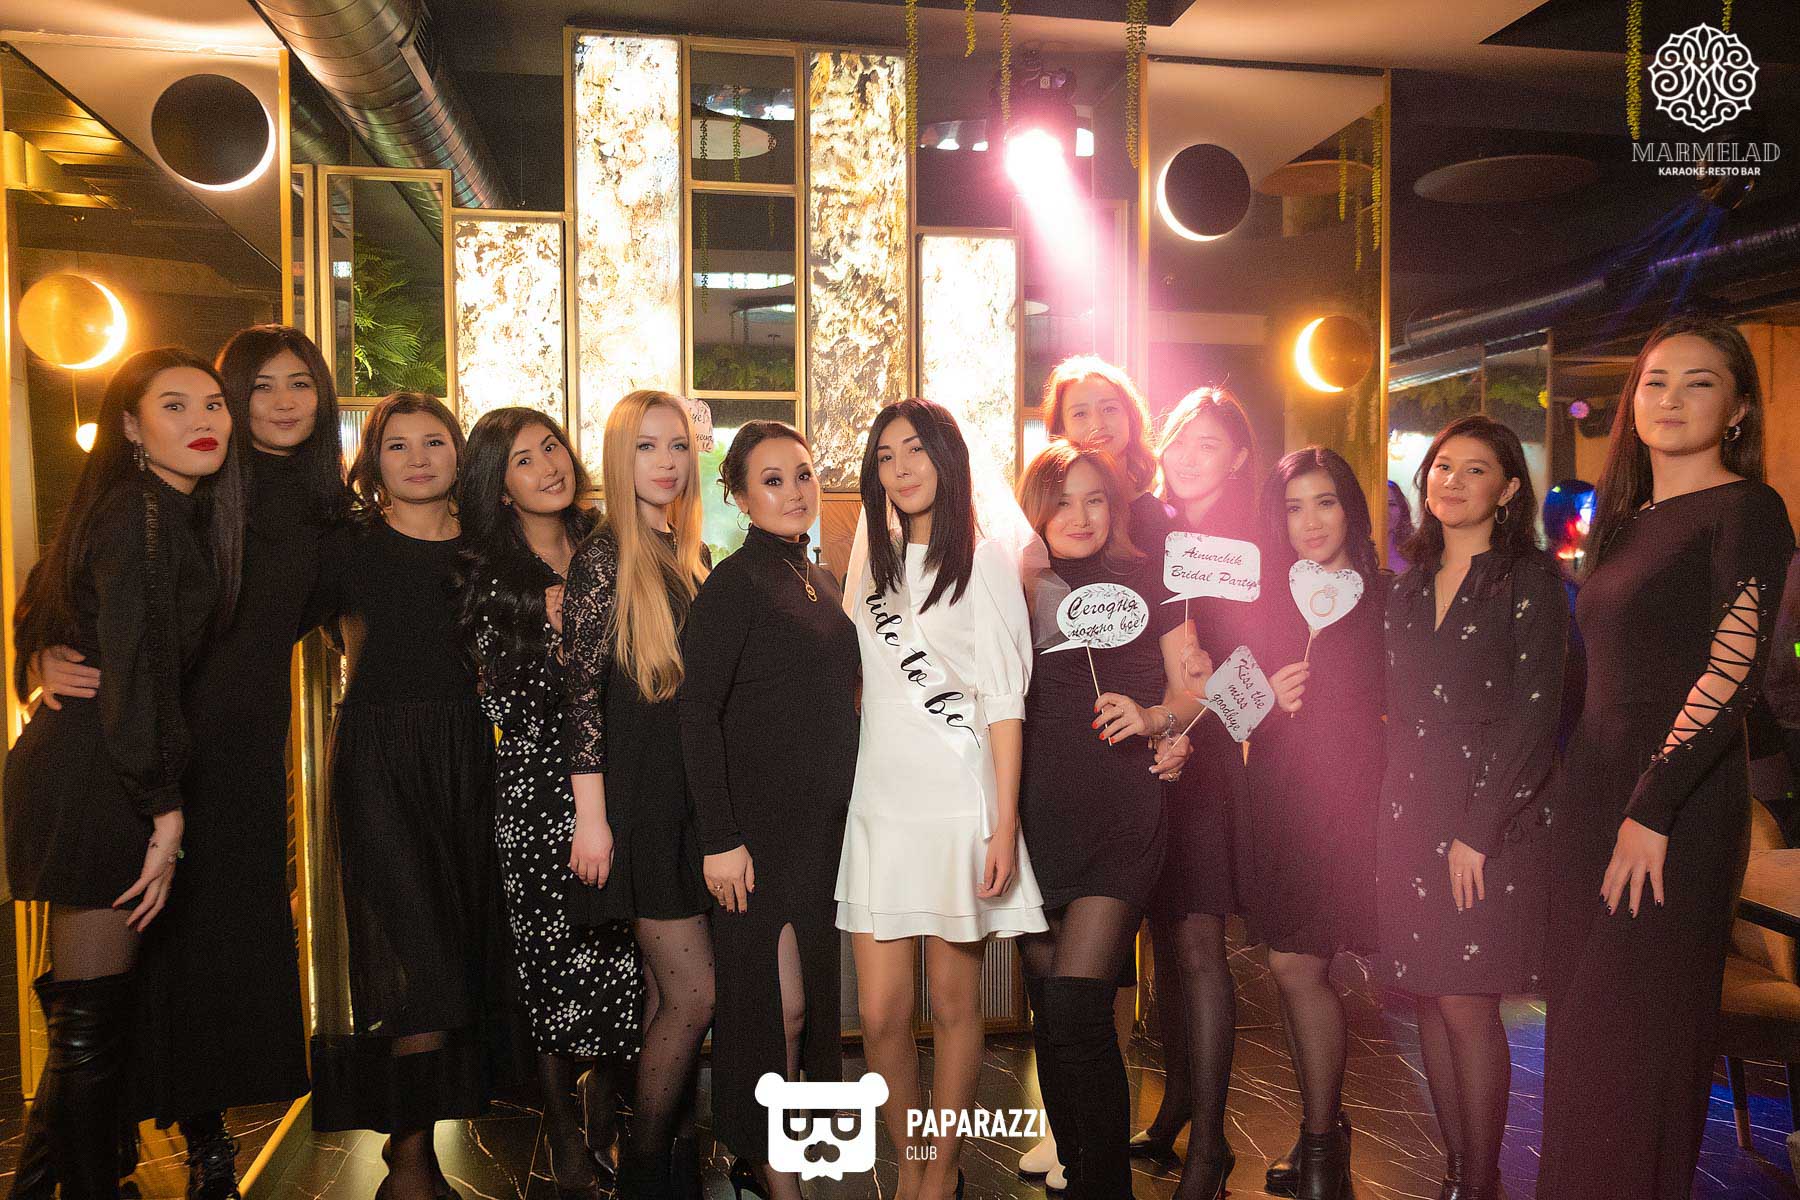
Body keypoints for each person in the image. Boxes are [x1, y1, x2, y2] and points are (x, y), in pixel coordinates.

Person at [34, 327, 340, 1200]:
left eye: (301, 383)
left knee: (215, 956)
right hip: (157, 747)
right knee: (138, 964)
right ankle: (116, 1149)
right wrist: (42, 655)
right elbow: (74, 590)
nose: (283, 402)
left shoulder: (330, 508)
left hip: (244, 757)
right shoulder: (194, 484)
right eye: (260, 386)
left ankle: (195, 1147)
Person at [1538, 315, 1795, 1200]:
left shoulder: (1748, 509)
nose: (1672, 399)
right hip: (1594, 799)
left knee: (1635, 1052)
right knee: (1581, 1044)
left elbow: (1733, 672)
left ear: (1737, 409)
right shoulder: (1627, 522)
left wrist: (1651, 809)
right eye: (1655, 380)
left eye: (1699, 382)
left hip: (1674, 809)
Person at [7, 347, 243, 1200]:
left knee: (91, 1017)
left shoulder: (153, 511)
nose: (203, 421)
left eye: (212, 404)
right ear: (132, 427)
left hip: (93, 767)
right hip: (99, 777)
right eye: (174, 406)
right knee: (90, 1024)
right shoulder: (138, 512)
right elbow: (138, 674)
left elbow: (56, 613)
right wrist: (163, 808)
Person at [836, 399, 1046, 1200]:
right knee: (882, 1014)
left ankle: (942, 1169)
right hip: (881, 807)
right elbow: (853, 680)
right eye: (886, 456)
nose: (901, 468)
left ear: (947, 458)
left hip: (960, 806)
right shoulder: (872, 562)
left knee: (957, 1005)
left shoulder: (984, 561)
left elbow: (1004, 701)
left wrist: (1003, 822)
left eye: (915, 450)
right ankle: (911, 1160)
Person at [306, 393, 512, 1200]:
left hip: (467, 759)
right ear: (374, 460)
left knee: (456, 958)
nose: (419, 457)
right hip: (379, 761)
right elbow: (256, 618)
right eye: (398, 445)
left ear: (460, 456)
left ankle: (411, 1143)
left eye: (435, 441)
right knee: (418, 961)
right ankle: (414, 1157)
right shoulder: (348, 546)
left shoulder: (488, 547)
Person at [1377, 414, 1568, 1200]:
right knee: (1429, 997)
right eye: (1442, 466)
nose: (1451, 481)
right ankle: (1457, 1173)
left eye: (1475, 469)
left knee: (1466, 1002)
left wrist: (1477, 832)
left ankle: (1481, 1183)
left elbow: (1536, 714)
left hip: (1490, 818)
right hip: (1407, 811)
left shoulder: (1528, 582)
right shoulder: (1406, 585)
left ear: (1510, 489)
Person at [455, 407, 642, 1199]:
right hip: (535, 792)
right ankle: (564, 1133)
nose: (549, 466)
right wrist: (552, 632)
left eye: (552, 447)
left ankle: (609, 1101)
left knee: (622, 955)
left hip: (621, 781)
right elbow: (500, 699)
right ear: (500, 488)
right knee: (550, 963)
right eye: (524, 460)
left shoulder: (612, 543)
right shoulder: (491, 576)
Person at [676, 422, 859, 1200]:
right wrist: (720, 839)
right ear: (741, 496)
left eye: (804, 474)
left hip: (821, 834)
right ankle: (766, 1162)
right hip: (753, 835)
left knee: (808, 1009)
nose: (794, 491)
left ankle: (776, 1152)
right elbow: (696, 715)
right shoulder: (734, 584)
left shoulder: (820, 578)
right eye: (773, 479)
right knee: (774, 1010)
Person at [1015, 442, 1196, 1200]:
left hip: (1124, 811)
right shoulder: (1014, 584)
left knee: (1077, 1004)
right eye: (1062, 500)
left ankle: (1106, 1188)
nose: (1080, 515)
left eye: (1095, 498)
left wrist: (1157, 720)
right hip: (1035, 815)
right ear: (1035, 508)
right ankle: (1081, 1170)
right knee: (1049, 1013)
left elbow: (1193, 685)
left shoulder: (1153, 578)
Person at [561, 391, 716, 1199]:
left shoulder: (687, 553)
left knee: (665, 993)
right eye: (648, 446)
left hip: (685, 802)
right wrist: (592, 820)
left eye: (678, 445)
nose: (666, 461)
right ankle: (646, 1171)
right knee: (695, 995)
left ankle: (659, 1161)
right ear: (621, 459)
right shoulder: (604, 557)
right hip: (640, 806)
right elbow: (580, 695)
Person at [1240, 448, 1385, 1200]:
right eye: (1294, 507)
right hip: (1278, 803)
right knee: (1290, 966)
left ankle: (1326, 1150)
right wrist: (1265, 695)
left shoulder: (1388, 599)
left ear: (1350, 508)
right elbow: (1225, 709)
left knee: (1305, 967)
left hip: (1353, 806)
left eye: (1324, 502)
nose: (1310, 522)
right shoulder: (1262, 596)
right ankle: (1320, 1132)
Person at [1134, 386, 1257, 1200]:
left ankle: (1211, 1148)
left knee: (1200, 947)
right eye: (1179, 438)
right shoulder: (1150, 526)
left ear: (1238, 457)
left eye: (1208, 443)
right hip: (1150, 752)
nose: (1187, 454)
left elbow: (1259, 668)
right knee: (1164, 947)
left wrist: (1208, 710)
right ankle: (1176, 1104)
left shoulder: (1253, 546)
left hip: (1213, 762)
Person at [1385, 481, 1415, 575]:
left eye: (1391, 504)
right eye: (1379, 505)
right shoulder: (1352, 553)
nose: (1385, 511)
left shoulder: (1415, 552)